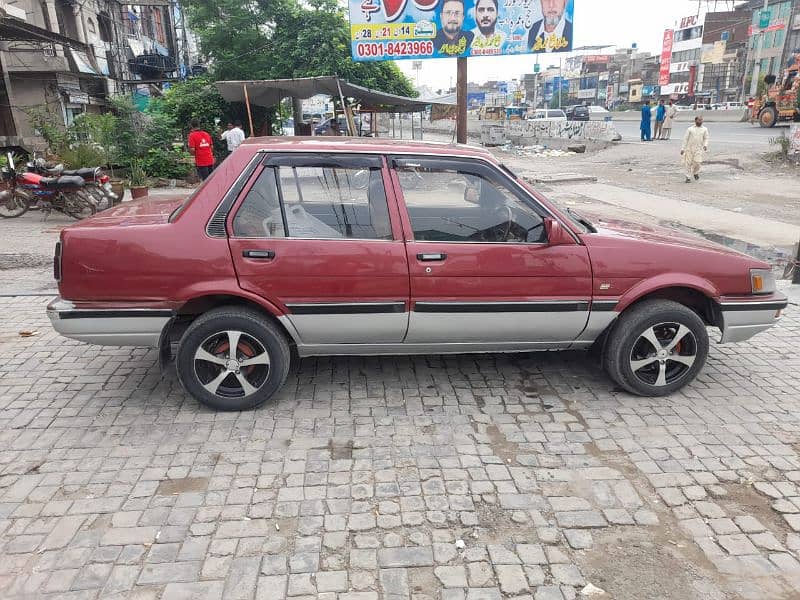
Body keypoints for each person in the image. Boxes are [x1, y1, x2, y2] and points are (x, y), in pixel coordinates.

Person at [681, 116, 709, 183]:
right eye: (699, 120)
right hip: (689, 149)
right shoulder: (690, 129)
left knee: (698, 162)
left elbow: (706, 138)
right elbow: (685, 139)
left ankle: (695, 172)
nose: (700, 121)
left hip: (698, 149)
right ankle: (688, 177)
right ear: (695, 121)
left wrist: (705, 145)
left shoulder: (705, 129)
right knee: (688, 163)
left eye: (701, 120)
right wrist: (682, 149)